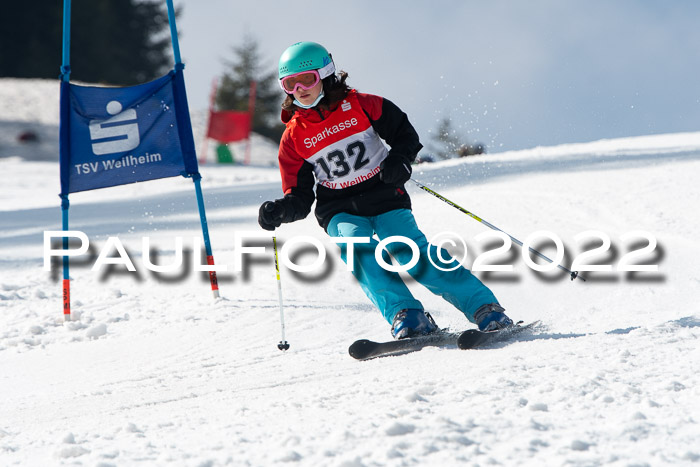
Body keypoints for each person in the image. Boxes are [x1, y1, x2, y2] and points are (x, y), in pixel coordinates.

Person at [258, 41, 513, 339]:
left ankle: (484, 308)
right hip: (338, 208)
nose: (299, 89)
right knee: (360, 251)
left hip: (384, 195)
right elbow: (300, 197)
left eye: (307, 79)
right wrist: (281, 210)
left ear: (325, 75)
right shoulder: (292, 138)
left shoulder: (362, 105)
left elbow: (404, 134)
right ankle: (407, 315)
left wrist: (399, 160)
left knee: (409, 252)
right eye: (290, 83)